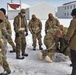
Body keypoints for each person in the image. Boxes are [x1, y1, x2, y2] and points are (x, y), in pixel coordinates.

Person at [64, 8, 76, 75]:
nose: (72, 16)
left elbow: (70, 32)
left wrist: (66, 39)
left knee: (74, 60)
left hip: (75, 44)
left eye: (73, 15)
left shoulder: (74, 21)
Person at [0, 10, 11, 75]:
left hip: (2, 43)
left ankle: (7, 69)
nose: (1, 22)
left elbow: (4, 31)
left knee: (2, 56)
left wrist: (7, 35)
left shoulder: (2, 23)